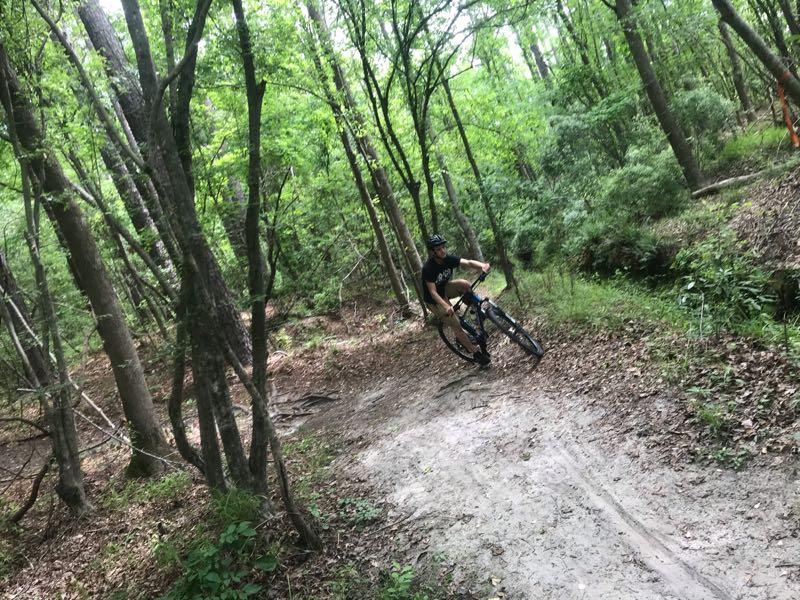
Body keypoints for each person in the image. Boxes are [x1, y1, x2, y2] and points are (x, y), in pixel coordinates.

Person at [422, 234, 491, 365]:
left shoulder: (448, 259)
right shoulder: (428, 268)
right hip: (434, 300)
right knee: (455, 323)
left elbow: (468, 263)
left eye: (443, 247)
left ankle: (477, 311)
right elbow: (432, 292)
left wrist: (482, 265)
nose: (442, 251)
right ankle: (475, 352)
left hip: (444, 288)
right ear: (433, 252)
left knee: (464, 284)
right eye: (438, 249)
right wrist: (446, 306)